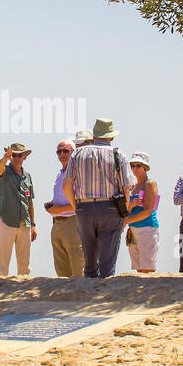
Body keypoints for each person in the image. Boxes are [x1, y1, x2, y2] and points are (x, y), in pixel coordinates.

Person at [63, 117, 128, 278]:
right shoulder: (118, 154)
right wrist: (123, 211)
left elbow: (67, 186)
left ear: (94, 136)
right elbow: (127, 187)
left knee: (89, 261)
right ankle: (105, 296)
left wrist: (76, 207)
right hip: (110, 208)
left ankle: (88, 293)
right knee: (107, 262)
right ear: (111, 137)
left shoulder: (78, 153)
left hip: (84, 208)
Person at [44, 138, 85, 277]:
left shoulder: (78, 172)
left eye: (65, 151)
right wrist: (52, 205)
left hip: (73, 222)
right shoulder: (60, 173)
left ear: (74, 152)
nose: (62, 154)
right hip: (57, 224)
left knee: (77, 265)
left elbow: (80, 202)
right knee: (61, 268)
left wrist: (59, 209)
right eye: (59, 151)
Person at [0, 142, 37, 275]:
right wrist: (5, 158)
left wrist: (33, 225)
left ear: (24, 157)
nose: (17, 158)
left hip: (25, 224)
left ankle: (23, 294)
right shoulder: (5, 171)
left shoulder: (28, 176)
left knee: (25, 266)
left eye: (20, 155)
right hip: (7, 222)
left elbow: (30, 202)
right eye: (14, 155)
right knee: (3, 265)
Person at [124, 152, 159, 272]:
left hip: (147, 229)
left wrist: (126, 221)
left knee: (147, 268)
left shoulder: (149, 184)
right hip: (133, 230)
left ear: (145, 167)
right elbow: (127, 210)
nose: (135, 168)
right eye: (133, 165)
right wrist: (131, 206)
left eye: (138, 165)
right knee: (138, 268)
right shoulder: (133, 187)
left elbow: (148, 211)